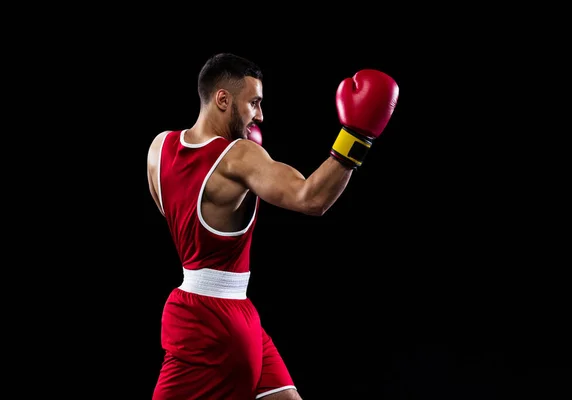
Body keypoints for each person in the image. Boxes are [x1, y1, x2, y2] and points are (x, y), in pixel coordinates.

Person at [147, 52, 399, 399]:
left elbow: (177, 213)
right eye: (254, 102)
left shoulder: (159, 148)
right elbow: (311, 198)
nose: (260, 115)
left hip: (209, 312)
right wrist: (357, 134)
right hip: (216, 328)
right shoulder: (239, 156)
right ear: (223, 99)